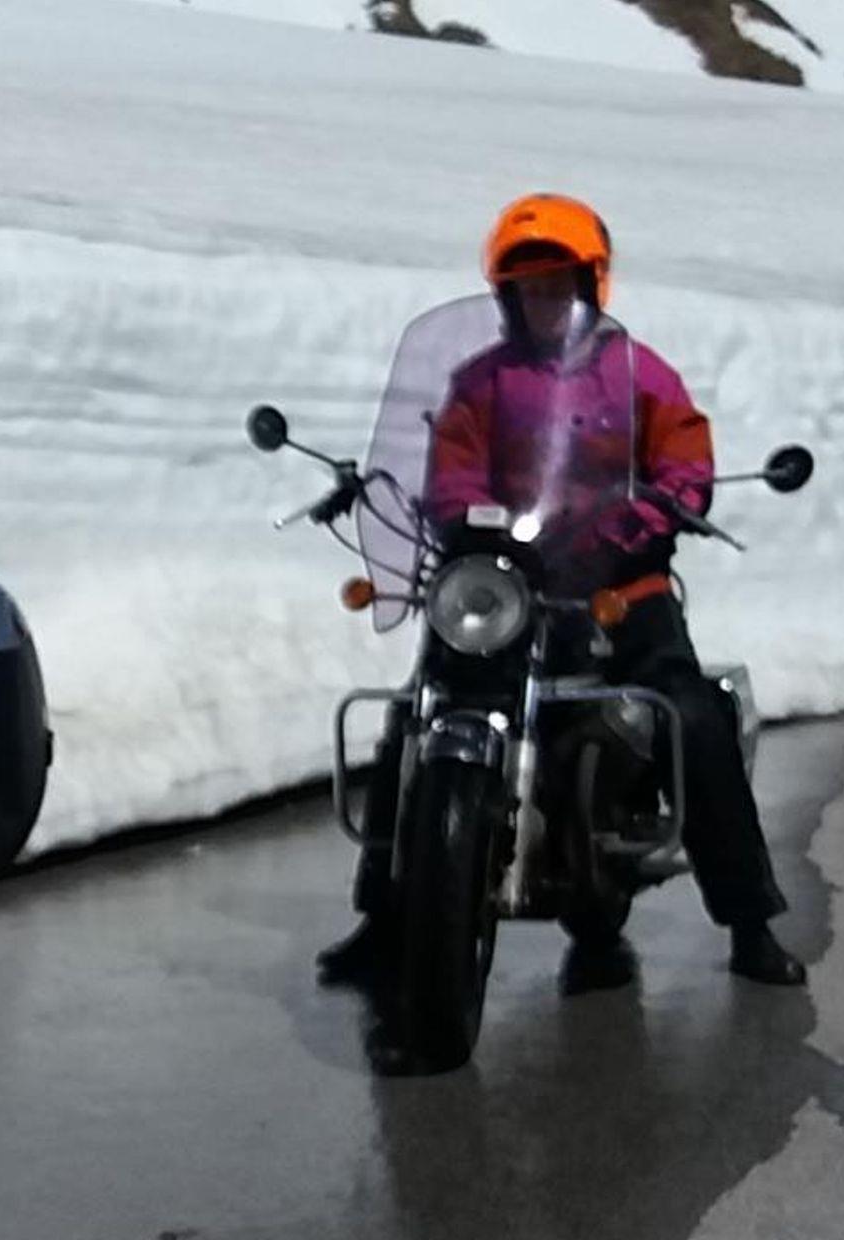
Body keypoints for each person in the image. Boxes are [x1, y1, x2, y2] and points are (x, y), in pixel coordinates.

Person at [319, 193, 807, 993]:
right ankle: (384, 916)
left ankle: (750, 920)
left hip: (620, 585)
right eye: (529, 289)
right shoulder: (481, 381)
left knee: (689, 717)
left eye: (558, 286)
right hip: (509, 584)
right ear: (507, 297)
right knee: (417, 716)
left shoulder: (640, 373)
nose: (545, 301)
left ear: (589, 287)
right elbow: (451, 472)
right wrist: (463, 520)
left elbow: (685, 463)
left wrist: (647, 516)